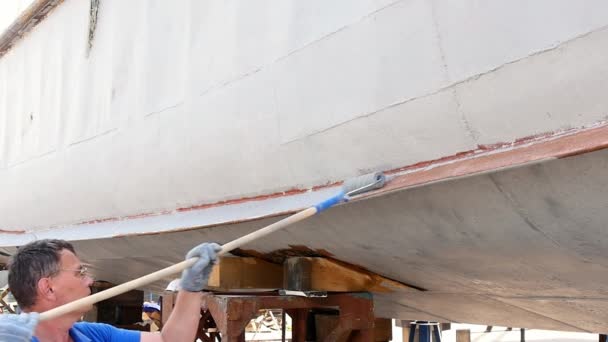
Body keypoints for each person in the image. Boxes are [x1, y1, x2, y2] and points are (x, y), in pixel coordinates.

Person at [0, 239, 220, 341]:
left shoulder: (94, 334)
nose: (90, 280)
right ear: (48, 288)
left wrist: (191, 287)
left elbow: (167, 341)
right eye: (80, 272)